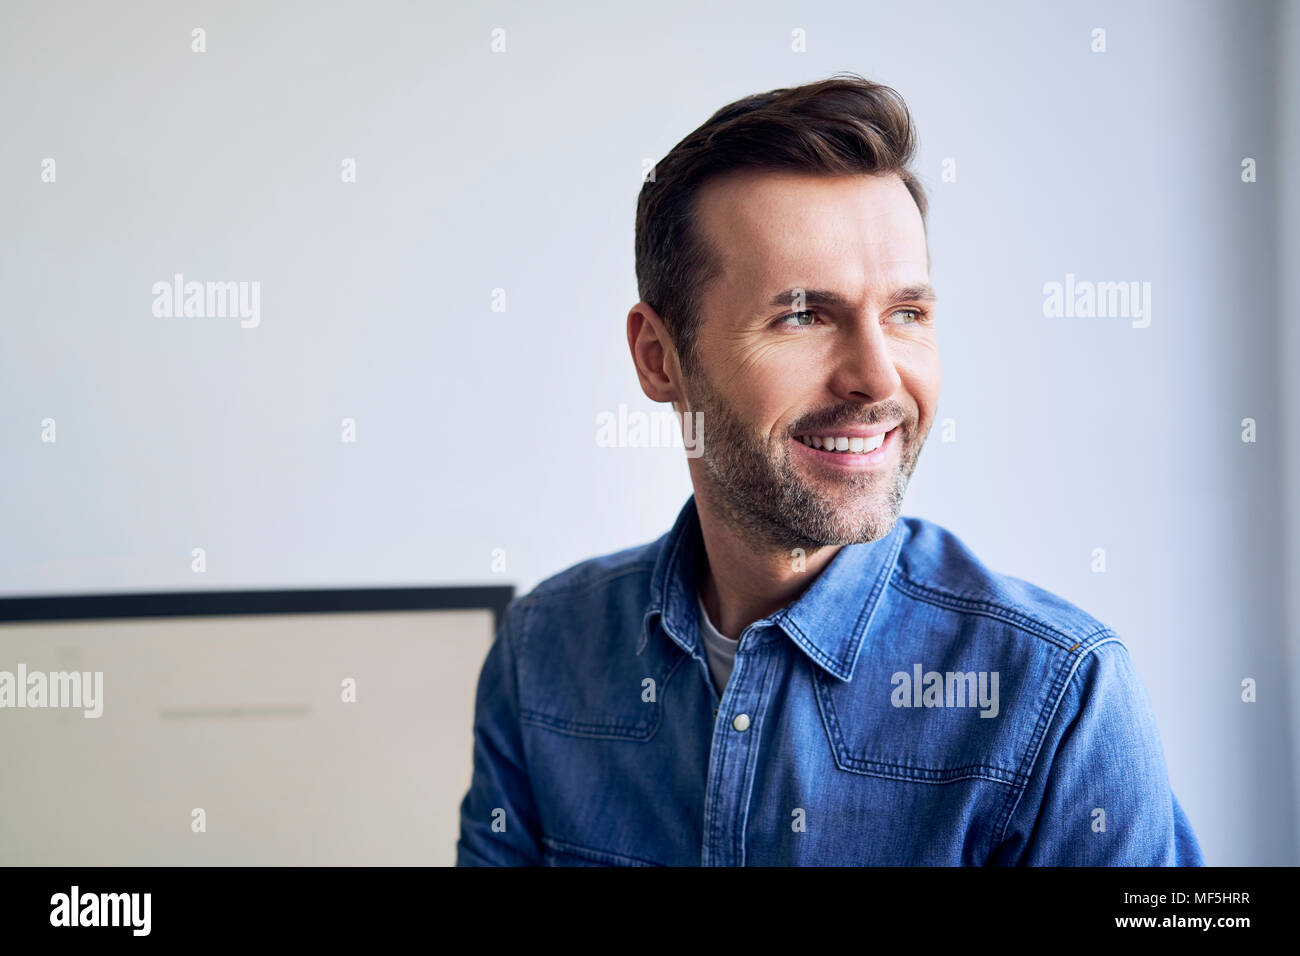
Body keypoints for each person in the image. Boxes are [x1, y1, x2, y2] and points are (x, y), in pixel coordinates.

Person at [457, 73, 1204, 866]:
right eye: (805, 315)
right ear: (658, 357)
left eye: (906, 315)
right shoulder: (541, 652)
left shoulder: (1059, 697)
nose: (879, 379)